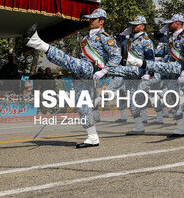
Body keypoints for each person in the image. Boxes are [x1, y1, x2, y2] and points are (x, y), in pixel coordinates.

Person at [24, 8, 120, 148]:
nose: (90, 21)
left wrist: (104, 71)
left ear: (101, 21)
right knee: (83, 105)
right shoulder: (86, 38)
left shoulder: (106, 38)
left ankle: (37, 42)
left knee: (68, 61)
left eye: (93, 19)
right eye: (89, 18)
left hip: (92, 70)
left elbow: (117, 57)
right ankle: (92, 137)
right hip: (82, 74)